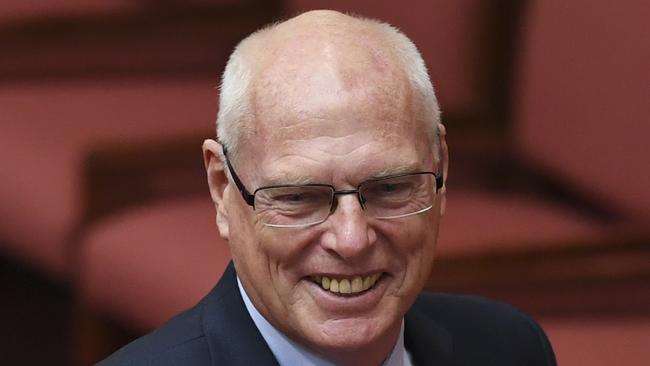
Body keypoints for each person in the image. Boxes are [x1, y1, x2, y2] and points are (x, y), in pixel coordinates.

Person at [99, 10, 556, 366]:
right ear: (222, 188)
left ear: (441, 168)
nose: (352, 240)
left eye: (390, 188)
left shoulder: (507, 348)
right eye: (299, 197)